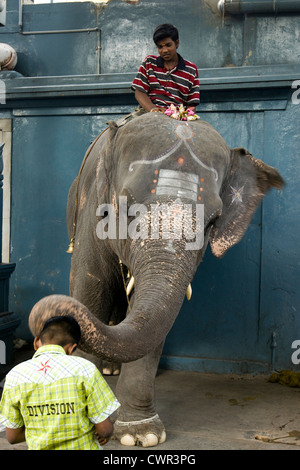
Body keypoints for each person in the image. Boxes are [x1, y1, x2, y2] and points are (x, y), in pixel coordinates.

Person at [0, 315, 120, 450]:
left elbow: (12, 437)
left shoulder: (15, 376)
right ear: (71, 348)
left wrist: (44, 430)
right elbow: (105, 430)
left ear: (36, 342)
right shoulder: (85, 369)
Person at [131, 23, 200, 113]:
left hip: (177, 116)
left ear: (177, 43)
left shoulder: (191, 69)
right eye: (160, 47)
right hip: (149, 113)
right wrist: (154, 110)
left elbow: (192, 104)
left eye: (168, 45)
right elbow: (139, 92)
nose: (164, 50)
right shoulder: (149, 62)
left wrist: (185, 113)